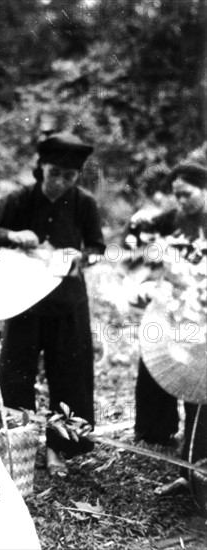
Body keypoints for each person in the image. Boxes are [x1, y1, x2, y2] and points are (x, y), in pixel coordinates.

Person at [0, 132, 106, 477]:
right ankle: (17, 441)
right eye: (54, 173)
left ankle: (61, 446)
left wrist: (79, 259)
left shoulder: (84, 203)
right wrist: (12, 236)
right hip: (23, 300)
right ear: (40, 167)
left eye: (69, 176)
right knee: (15, 372)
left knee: (70, 374)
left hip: (67, 301)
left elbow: (97, 247)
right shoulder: (21, 200)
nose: (60, 182)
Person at [127, 161, 207, 495]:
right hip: (176, 302)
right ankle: (159, 433)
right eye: (176, 196)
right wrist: (137, 230)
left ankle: (196, 465)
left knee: (199, 385)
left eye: (187, 195)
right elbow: (137, 244)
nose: (182, 202)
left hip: (202, 306)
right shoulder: (173, 219)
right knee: (161, 359)